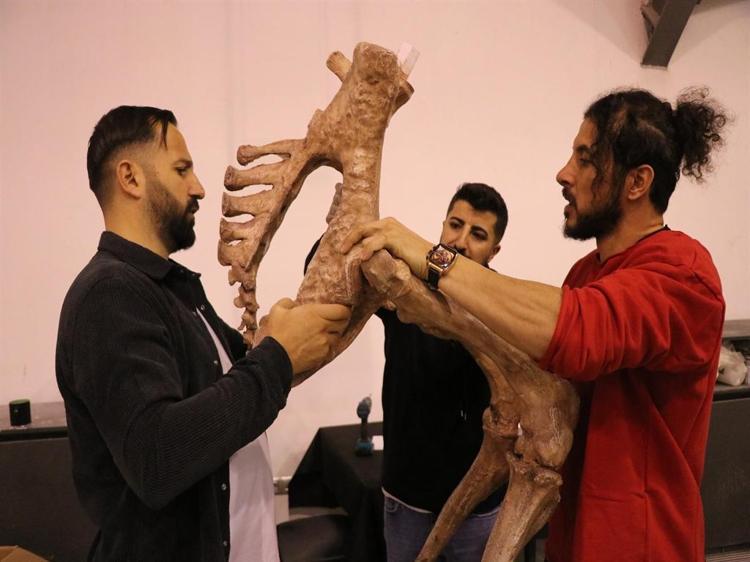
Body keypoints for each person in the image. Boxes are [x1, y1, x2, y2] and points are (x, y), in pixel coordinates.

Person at [340, 87, 728, 562]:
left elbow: (581, 331)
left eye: (585, 158)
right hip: (570, 538)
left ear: (636, 182)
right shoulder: (585, 274)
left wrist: (431, 256)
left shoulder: (683, 273)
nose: (564, 173)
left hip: (640, 547)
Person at [55, 105, 350, 562]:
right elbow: (157, 457)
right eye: (181, 169)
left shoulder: (172, 291)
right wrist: (277, 357)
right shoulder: (109, 295)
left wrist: (285, 339)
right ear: (130, 178)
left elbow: (241, 386)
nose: (199, 188)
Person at [379, 183, 508, 562]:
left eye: (478, 234)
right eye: (455, 225)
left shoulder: (506, 305)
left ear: (494, 250)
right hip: (408, 498)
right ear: (442, 225)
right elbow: (329, 265)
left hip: (478, 507)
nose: (461, 241)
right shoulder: (404, 284)